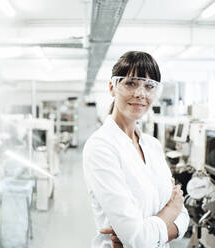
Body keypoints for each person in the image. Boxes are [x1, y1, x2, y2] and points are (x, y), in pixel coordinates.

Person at [82, 51, 189, 248]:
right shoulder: (101, 147)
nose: (140, 93)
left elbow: (183, 216)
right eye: (131, 83)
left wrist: (151, 232)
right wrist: (169, 212)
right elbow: (138, 238)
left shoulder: (153, 146)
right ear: (112, 87)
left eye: (149, 86)